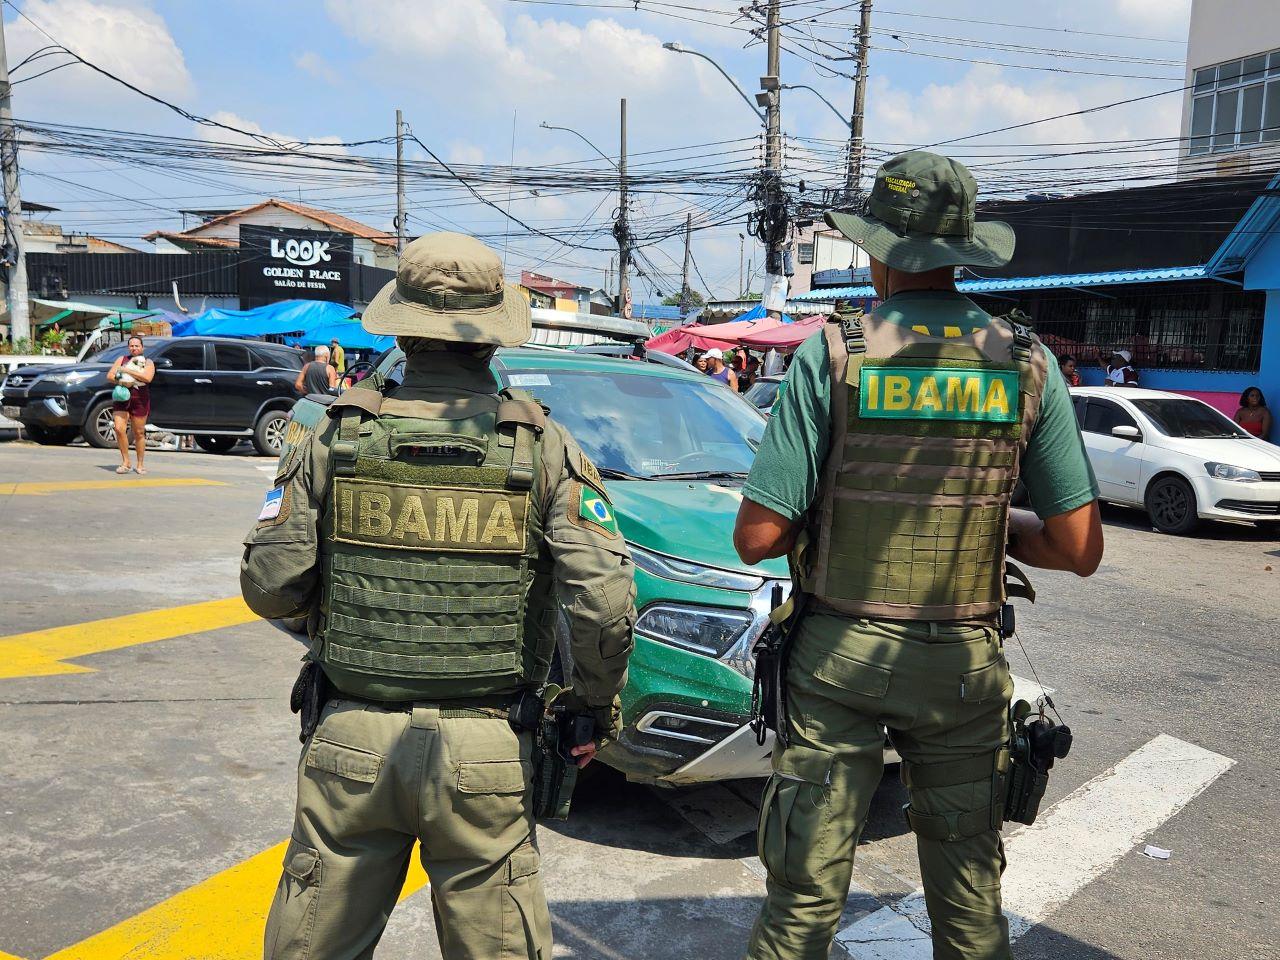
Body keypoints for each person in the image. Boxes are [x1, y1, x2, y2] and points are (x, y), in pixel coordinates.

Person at [733, 151, 1104, 960]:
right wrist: (999, 528)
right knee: (971, 910)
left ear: (878, 251)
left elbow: (758, 537)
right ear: (965, 250)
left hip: (837, 661)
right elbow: (1079, 549)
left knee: (801, 906)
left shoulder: (833, 355)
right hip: (963, 667)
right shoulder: (1026, 362)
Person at [240, 232, 636, 960]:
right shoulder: (545, 445)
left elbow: (268, 588)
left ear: (402, 328)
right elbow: (604, 603)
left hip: (349, 740)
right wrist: (589, 706)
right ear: (492, 338)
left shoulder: (333, 435)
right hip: (488, 752)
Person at [107, 335, 155, 475]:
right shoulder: (122, 360)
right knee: (118, 428)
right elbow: (110, 375)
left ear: (142, 347)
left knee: (139, 432)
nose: (134, 348)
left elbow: (147, 378)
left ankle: (140, 464)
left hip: (140, 399)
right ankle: (126, 462)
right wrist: (122, 381)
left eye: (137, 346)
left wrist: (127, 371)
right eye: (131, 346)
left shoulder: (148, 362)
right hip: (122, 397)